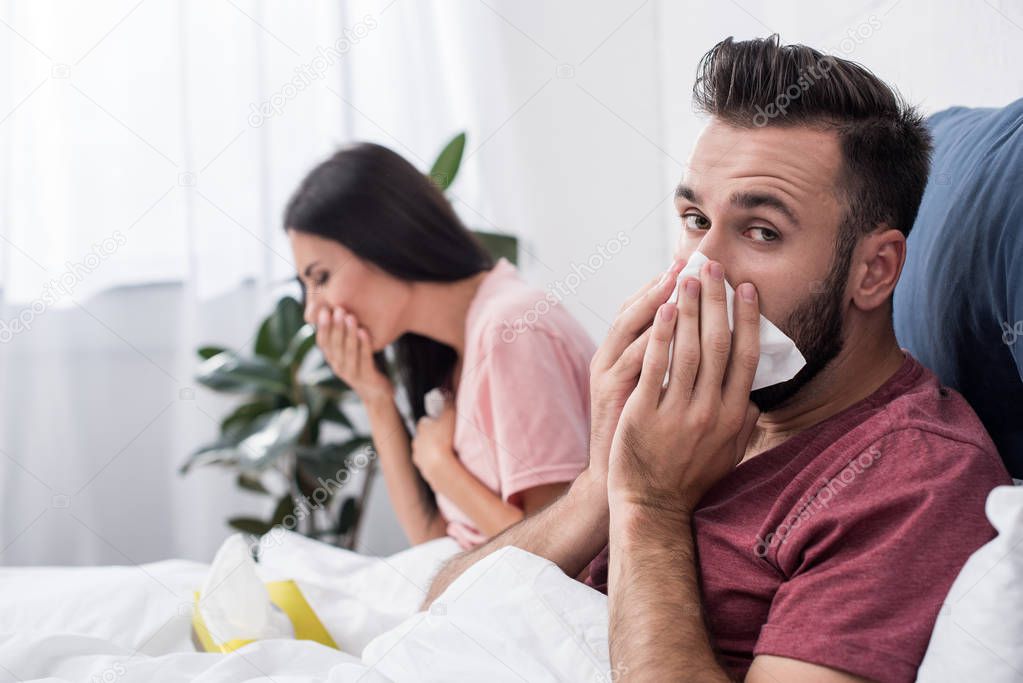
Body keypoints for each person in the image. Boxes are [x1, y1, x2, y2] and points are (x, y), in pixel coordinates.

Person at [424, 36, 1012, 682]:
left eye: (760, 231)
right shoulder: (690, 416)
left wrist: (650, 504)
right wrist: (600, 485)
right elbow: (438, 611)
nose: (702, 268)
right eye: (695, 218)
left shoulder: (912, 481)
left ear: (873, 270)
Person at [285, 143, 596, 549]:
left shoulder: (511, 330)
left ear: (383, 240)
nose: (312, 312)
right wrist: (375, 397)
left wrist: (440, 467)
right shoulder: (453, 349)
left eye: (322, 277)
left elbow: (561, 556)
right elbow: (431, 539)